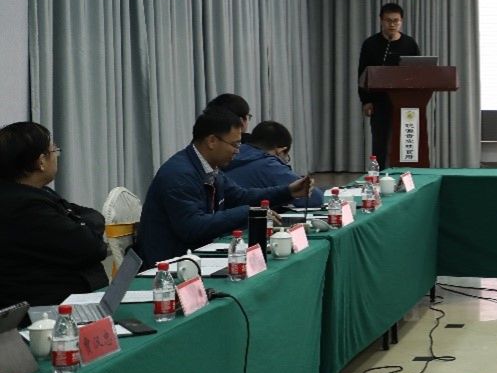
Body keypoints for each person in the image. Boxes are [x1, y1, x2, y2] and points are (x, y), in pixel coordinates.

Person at [135, 108, 315, 266]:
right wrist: (247, 213)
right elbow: (192, 227)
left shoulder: (209, 168)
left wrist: (289, 191)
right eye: (234, 144)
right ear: (212, 141)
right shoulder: (179, 174)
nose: (238, 150)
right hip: (168, 265)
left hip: (196, 256)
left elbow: (241, 196)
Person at [0, 121, 109, 308]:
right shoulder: (24, 206)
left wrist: (84, 224)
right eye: (54, 150)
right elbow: (91, 248)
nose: (57, 156)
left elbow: (89, 215)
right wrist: (85, 226)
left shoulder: (37, 193)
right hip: (49, 311)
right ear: (41, 161)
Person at [358, 2, 420, 167]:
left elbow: (419, 73)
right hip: (379, 101)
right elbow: (362, 75)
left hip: (405, 102)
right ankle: (379, 175)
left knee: (404, 142)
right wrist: (366, 101)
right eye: (388, 21)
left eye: (396, 21)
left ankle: (405, 174)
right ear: (381, 20)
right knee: (380, 142)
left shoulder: (410, 44)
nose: (392, 24)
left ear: (401, 21)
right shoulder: (370, 44)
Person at [226, 120, 324, 207]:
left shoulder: (232, 156)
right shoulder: (268, 164)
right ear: (280, 151)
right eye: (286, 158)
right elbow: (315, 198)